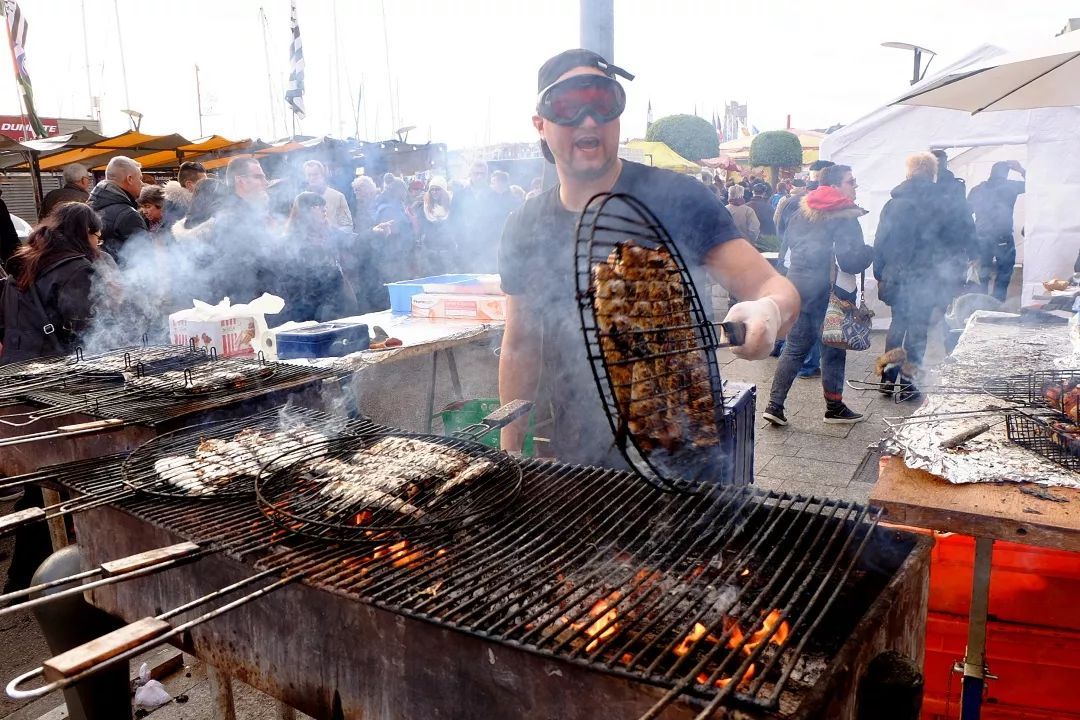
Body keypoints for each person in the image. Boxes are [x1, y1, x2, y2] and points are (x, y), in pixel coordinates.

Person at [497, 49, 798, 466]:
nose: (588, 119)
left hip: (686, 459)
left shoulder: (678, 199)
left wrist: (768, 310)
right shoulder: (525, 225)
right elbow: (519, 345)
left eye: (603, 102)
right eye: (566, 105)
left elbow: (773, 287)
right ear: (541, 124)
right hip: (581, 458)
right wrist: (510, 445)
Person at [0, 202, 103, 593]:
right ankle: (36, 578)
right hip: (57, 385)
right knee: (57, 478)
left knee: (37, 478)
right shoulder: (76, 269)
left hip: (16, 382)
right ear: (84, 233)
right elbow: (85, 329)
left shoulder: (24, 263)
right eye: (96, 235)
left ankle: (21, 578)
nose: (98, 242)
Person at [762, 164, 874, 427]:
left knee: (795, 347)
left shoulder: (801, 209)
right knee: (834, 348)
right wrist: (870, 252)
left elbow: (787, 246)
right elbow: (850, 261)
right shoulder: (844, 215)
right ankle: (834, 406)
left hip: (799, 286)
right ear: (835, 186)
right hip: (829, 291)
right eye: (851, 181)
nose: (855, 186)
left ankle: (774, 405)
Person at [873, 152, 946, 401]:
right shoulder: (940, 203)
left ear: (909, 172)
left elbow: (880, 241)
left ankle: (886, 379)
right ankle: (907, 384)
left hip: (896, 273)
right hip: (926, 276)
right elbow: (948, 244)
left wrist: (880, 273)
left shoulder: (894, 204)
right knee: (917, 331)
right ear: (932, 173)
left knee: (897, 325)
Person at [262, 192, 358, 323]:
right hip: (304, 308)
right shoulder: (289, 242)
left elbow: (351, 240)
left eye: (323, 205)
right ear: (305, 212)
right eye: (317, 206)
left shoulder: (329, 232)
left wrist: (374, 232)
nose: (324, 209)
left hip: (334, 303)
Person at [968, 160, 1025, 302]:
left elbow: (966, 211)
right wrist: (1021, 170)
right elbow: (1035, 184)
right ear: (1006, 173)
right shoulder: (1010, 186)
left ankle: (980, 304)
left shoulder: (977, 189)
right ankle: (997, 303)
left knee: (983, 272)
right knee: (1004, 272)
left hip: (981, 235)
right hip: (1002, 236)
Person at [452, 160, 509, 273]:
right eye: (476, 173)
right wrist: (459, 241)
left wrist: (494, 245)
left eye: (482, 174)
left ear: (487, 175)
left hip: (487, 252)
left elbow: (500, 223)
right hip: (465, 250)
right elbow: (453, 221)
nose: (479, 176)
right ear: (471, 174)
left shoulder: (495, 196)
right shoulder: (459, 195)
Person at [88, 156, 146, 260]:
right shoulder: (129, 215)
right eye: (140, 178)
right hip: (122, 275)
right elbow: (144, 257)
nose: (142, 184)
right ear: (130, 179)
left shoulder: (89, 206)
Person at [373, 177, 418, 283]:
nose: (405, 193)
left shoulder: (398, 206)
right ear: (397, 190)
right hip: (394, 260)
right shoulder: (387, 209)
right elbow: (393, 233)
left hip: (400, 257)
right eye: (403, 190)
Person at [416, 176, 456, 275]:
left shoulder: (453, 206)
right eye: (432, 190)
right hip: (430, 253)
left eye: (437, 189)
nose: (434, 192)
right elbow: (422, 229)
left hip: (448, 252)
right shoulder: (423, 208)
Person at [304, 160, 353, 229]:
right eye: (309, 175)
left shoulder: (338, 197)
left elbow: (347, 226)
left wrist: (334, 235)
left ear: (323, 175)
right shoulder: (302, 199)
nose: (312, 178)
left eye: (315, 174)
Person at [161, 161, 207, 231]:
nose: (206, 185)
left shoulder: (174, 205)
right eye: (203, 182)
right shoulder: (178, 210)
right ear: (189, 184)